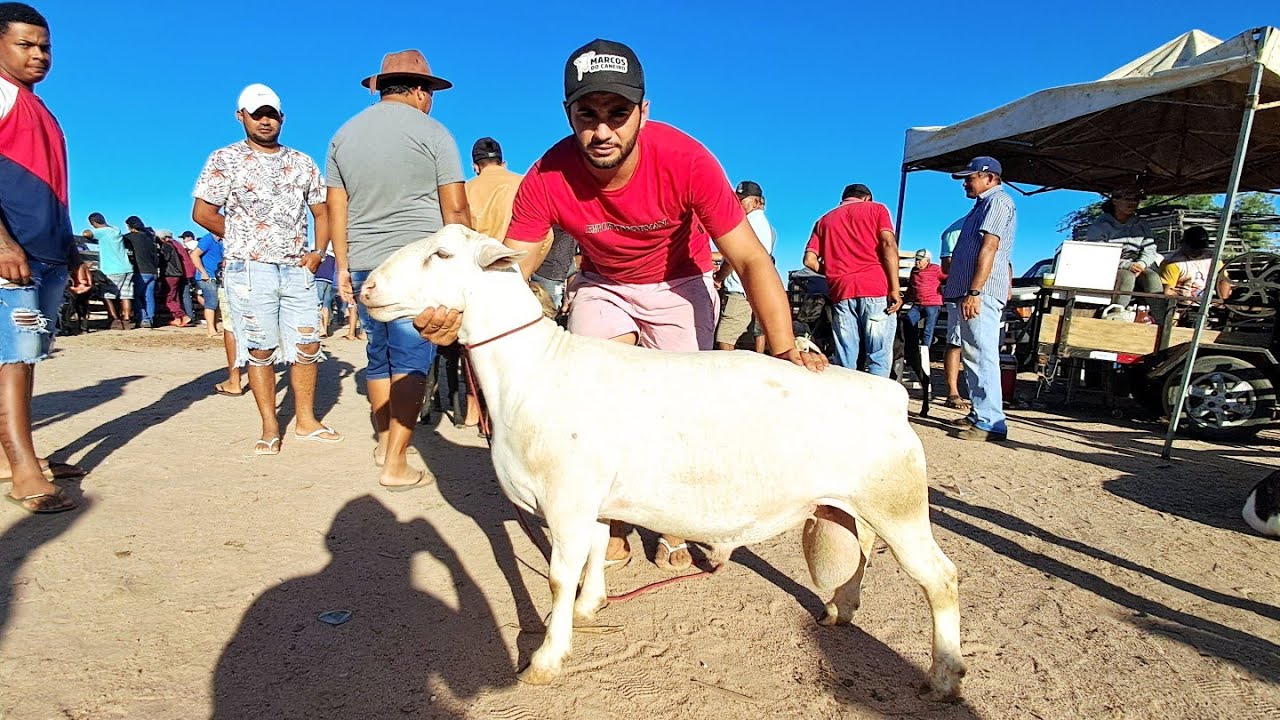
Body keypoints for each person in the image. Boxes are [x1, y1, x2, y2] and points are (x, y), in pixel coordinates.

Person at [415, 38, 826, 572]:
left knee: (678, 410)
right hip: (602, 282)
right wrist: (459, 313)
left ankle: (674, 523)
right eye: (587, 115)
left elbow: (749, 258)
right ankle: (610, 522)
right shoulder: (548, 174)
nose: (603, 131)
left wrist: (786, 347)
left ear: (643, 112)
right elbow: (512, 267)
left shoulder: (687, 159)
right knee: (589, 400)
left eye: (618, 114)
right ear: (568, 113)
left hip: (679, 282)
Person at [328, 49, 471, 489]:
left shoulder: (343, 135)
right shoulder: (434, 133)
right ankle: (395, 463)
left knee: (379, 355)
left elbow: (336, 208)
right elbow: (455, 208)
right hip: (414, 268)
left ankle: (384, 441)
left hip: (365, 264)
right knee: (410, 359)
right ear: (420, 91)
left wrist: (342, 265)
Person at [192, 83, 340, 453]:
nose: (265, 121)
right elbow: (203, 212)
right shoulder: (225, 159)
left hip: (296, 267)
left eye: (271, 114)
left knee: (308, 343)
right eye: (257, 114)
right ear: (240, 116)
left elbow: (322, 211)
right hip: (249, 269)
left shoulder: (302, 162)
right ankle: (270, 425)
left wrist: (318, 252)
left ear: (282, 118)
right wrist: (243, 237)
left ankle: (305, 420)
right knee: (259, 348)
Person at [0, 2, 90, 513]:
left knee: (27, 355)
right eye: (25, 44)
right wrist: (2, 242)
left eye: (45, 47)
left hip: (48, 251)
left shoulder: (40, 109)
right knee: (12, 357)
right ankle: (23, 471)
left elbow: (55, 190)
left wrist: (72, 249)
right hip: (13, 253)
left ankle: (13, 454)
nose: (38, 55)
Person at [943, 156, 1015, 442]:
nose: (965, 183)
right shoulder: (982, 205)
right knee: (973, 353)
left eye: (970, 177)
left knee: (982, 353)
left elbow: (990, 247)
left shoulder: (998, 202)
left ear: (989, 178)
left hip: (980, 292)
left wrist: (975, 291)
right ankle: (980, 413)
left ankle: (991, 422)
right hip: (971, 291)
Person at [803, 183, 902, 376]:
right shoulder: (877, 209)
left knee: (845, 357)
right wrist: (895, 288)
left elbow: (809, 261)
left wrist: (835, 272)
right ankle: (876, 395)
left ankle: (846, 393)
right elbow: (888, 244)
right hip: (875, 288)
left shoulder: (823, 220)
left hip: (841, 291)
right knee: (878, 355)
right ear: (867, 198)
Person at [715, 180, 776, 351]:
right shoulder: (764, 226)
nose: (738, 204)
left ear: (756, 201)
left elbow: (736, 256)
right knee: (750, 334)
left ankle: (726, 368)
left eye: (742, 200)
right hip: (751, 287)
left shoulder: (747, 224)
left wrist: (719, 277)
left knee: (725, 337)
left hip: (739, 290)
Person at [1085, 186, 1161, 307]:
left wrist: (1141, 264)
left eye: (1136, 200)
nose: (1133, 203)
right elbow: (1099, 253)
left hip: (1137, 265)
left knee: (1152, 278)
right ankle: (1117, 312)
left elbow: (1150, 248)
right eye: (1128, 199)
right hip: (1109, 266)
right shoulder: (1100, 225)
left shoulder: (1141, 224)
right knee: (1126, 277)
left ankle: (1160, 315)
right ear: (1115, 201)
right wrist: (1126, 265)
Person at [1160, 225, 1232, 303]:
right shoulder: (1173, 263)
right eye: (1193, 247)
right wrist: (1184, 296)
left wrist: (1222, 301)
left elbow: (1223, 280)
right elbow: (1167, 292)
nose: (1197, 250)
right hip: (1182, 305)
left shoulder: (1212, 259)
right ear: (1183, 243)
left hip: (1209, 303)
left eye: (1200, 247)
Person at [939, 216, 967, 409]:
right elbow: (946, 265)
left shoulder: (993, 223)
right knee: (956, 341)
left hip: (988, 293)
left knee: (984, 347)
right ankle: (953, 392)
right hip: (961, 292)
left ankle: (981, 393)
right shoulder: (954, 231)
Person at [89, 212, 131, 329]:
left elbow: (87, 234)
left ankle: (115, 320)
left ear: (94, 223)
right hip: (126, 267)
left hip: (111, 269)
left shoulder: (101, 231)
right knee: (125, 295)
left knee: (106, 295)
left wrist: (88, 231)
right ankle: (127, 320)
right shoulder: (116, 230)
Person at [906, 248, 945, 359]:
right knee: (908, 322)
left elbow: (946, 277)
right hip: (918, 303)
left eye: (919, 260)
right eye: (916, 259)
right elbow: (910, 287)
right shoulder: (914, 271)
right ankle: (911, 351)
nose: (916, 262)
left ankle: (924, 354)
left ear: (927, 260)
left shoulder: (935, 269)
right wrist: (903, 301)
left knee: (928, 329)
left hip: (932, 303)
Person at [123, 214, 159, 328]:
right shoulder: (149, 237)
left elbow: (119, 239)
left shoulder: (133, 237)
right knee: (149, 296)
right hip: (152, 271)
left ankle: (144, 318)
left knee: (136, 296)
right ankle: (150, 319)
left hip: (141, 270)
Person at [156, 229, 192, 327]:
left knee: (168, 298)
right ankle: (177, 318)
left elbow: (164, 259)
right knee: (174, 297)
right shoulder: (175, 245)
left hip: (170, 274)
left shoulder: (166, 246)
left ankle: (183, 316)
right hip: (177, 273)